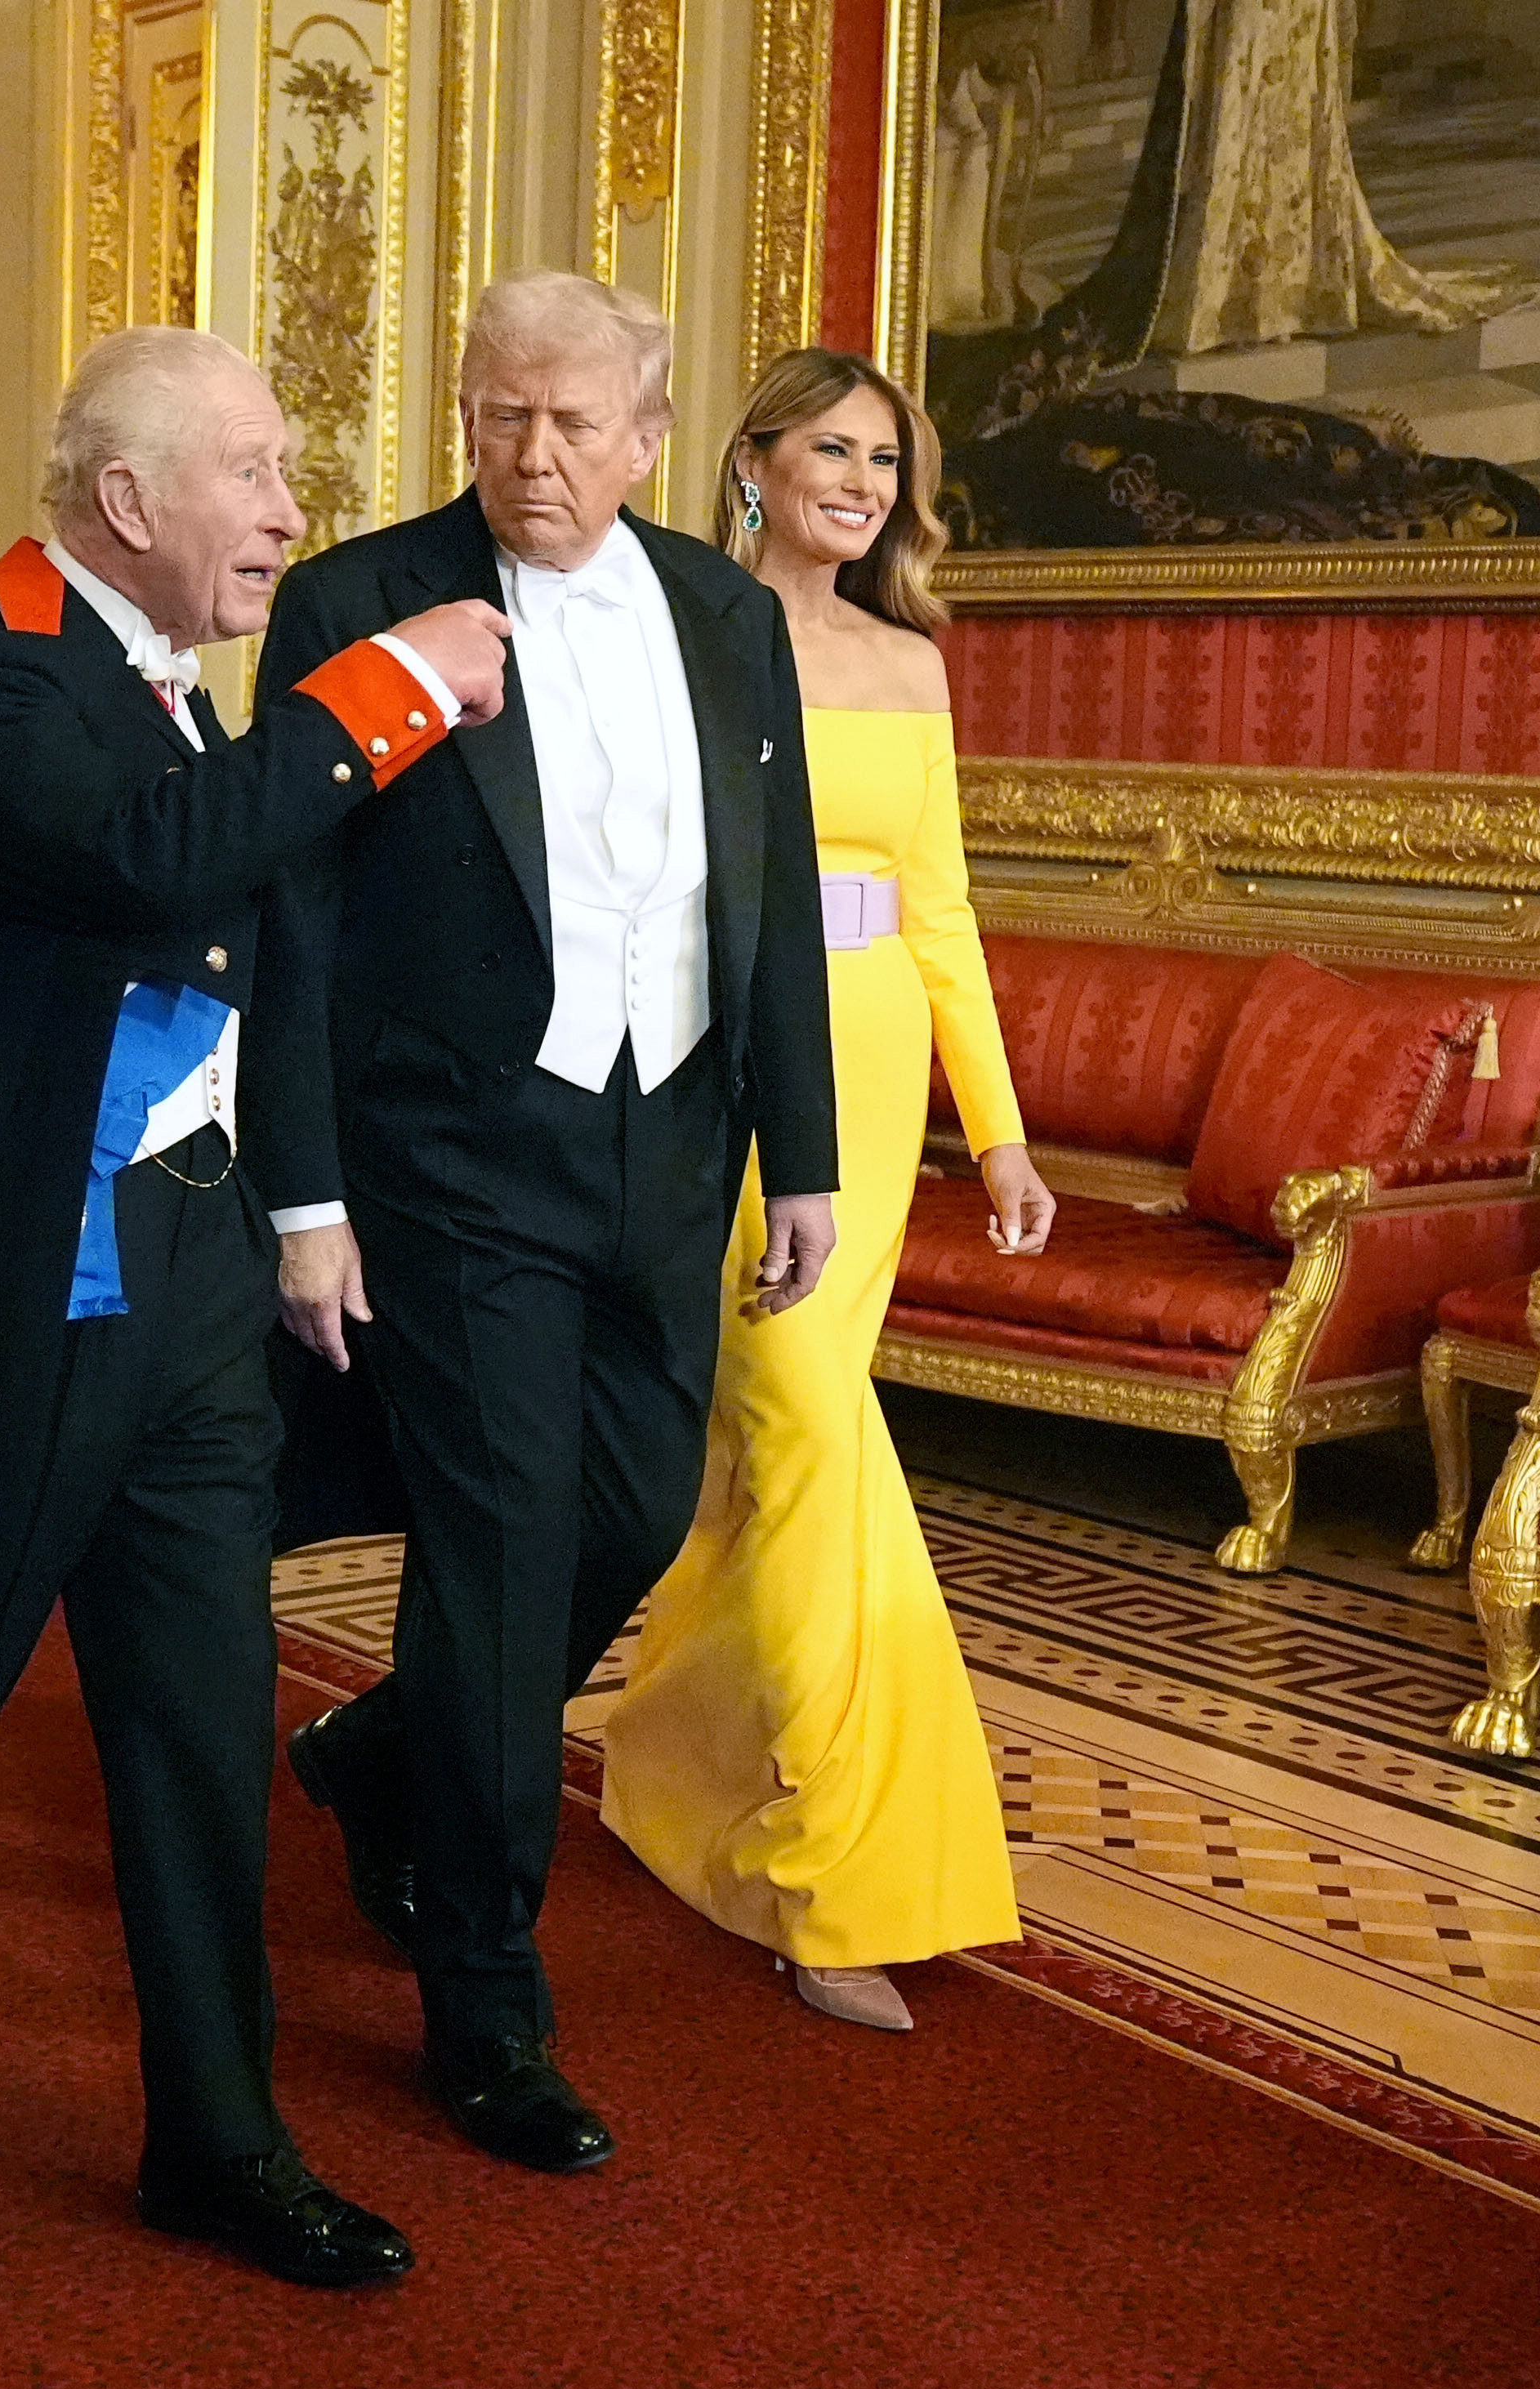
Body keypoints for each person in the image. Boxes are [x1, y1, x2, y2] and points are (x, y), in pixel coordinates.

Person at [0, 324, 511, 2289]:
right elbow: (154, 862)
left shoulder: (184, 690)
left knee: (202, 1718)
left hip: (191, 1279)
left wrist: (300, 1214)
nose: (291, 507)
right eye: (255, 469)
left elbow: (258, 960)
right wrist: (388, 686)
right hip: (12, 1280)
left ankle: (219, 2138)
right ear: (128, 498)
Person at [249, 271, 839, 2173]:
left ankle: (381, 1750)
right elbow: (294, 918)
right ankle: (486, 1996)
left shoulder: (729, 614)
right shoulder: (355, 601)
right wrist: (307, 1196)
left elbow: (769, 890)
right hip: (451, 1158)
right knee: (500, 1554)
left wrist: (803, 1151)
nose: (531, 454)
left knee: (634, 1513)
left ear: (649, 437)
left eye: (572, 421)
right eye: (499, 414)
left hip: (671, 1143)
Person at [596, 351, 1053, 2035]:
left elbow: (938, 913)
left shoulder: (910, 663)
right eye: (834, 450)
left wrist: (995, 1131)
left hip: (863, 1077)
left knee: (785, 1444)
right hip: (715, 1064)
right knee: (791, 1432)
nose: (864, 483)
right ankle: (815, 1844)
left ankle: (719, 1795)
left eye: (887, 461)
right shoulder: (676, 632)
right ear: (755, 461)